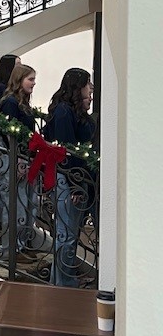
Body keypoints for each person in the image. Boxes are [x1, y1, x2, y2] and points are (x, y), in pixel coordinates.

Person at [43, 68, 96, 287]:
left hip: (76, 177)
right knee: (66, 233)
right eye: (87, 83)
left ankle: (65, 279)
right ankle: (62, 283)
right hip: (68, 178)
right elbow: (67, 151)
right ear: (77, 85)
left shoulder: (73, 110)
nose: (90, 88)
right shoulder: (64, 111)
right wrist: (75, 185)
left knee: (71, 233)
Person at [0, 64, 38, 263]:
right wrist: (18, 159)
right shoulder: (10, 102)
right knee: (15, 206)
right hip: (14, 159)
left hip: (24, 158)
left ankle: (21, 244)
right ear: (20, 80)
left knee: (26, 205)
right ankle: (9, 249)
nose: (34, 83)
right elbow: (9, 132)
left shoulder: (22, 102)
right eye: (30, 79)